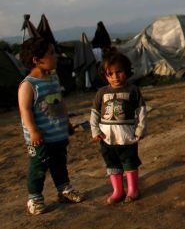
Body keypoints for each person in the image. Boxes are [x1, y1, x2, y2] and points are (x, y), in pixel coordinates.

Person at [18, 37, 84, 215]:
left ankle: (64, 190)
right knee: (38, 168)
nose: (56, 56)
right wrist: (33, 132)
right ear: (37, 60)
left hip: (58, 134)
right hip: (39, 138)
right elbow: (25, 111)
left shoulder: (53, 78)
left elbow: (60, 103)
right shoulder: (28, 85)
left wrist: (68, 123)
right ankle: (35, 198)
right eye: (51, 53)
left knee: (59, 164)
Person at [90, 52, 147, 204]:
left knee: (129, 163)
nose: (115, 77)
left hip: (127, 136)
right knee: (112, 164)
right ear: (105, 75)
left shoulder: (133, 90)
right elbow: (94, 114)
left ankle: (133, 190)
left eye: (119, 72)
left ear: (127, 71)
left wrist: (140, 129)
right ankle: (118, 191)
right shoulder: (101, 92)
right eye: (110, 74)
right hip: (106, 138)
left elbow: (141, 111)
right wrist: (95, 131)